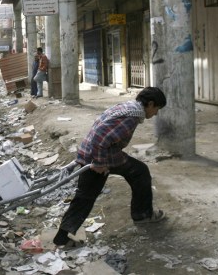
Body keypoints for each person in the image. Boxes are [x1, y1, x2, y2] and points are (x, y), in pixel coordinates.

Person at [53, 87, 167, 248]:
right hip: (99, 156)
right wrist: (99, 164)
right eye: (157, 109)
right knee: (86, 196)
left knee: (137, 172)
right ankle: (142, 215)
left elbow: (100, 130)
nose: (155, 113)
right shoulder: (131, 116)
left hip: (95, 152)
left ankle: (142, 214)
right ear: (150, 104)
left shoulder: (128, 107)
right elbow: (100, 137)